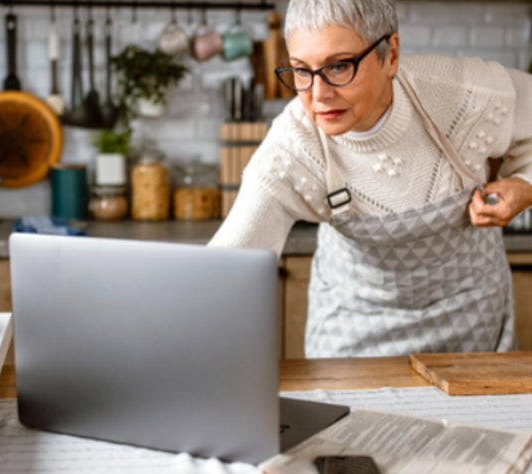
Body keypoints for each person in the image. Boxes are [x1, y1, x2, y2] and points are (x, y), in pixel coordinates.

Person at [209, 0, 532, 358]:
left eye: (339, 66)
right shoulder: (293, 147)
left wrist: (526, 184)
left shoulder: (461, 95)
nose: (318, 95)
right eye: (302, 71)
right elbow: (223, 274)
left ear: (390, 54)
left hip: (473, 322)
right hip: (353, 327)